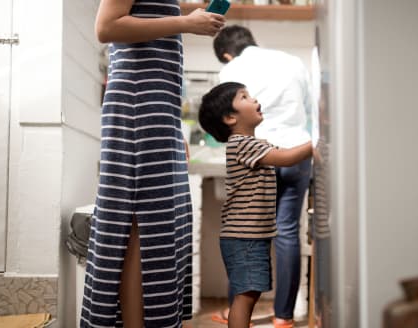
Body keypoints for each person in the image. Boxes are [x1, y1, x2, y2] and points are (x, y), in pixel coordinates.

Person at [80, 1, 225, 328]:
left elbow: (149, 8)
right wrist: (186, 23)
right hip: (138, 107)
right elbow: (107, 27)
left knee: (154, 227)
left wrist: (190, 9)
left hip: (153, 110)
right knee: (139, 226)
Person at [211, 25, 313, 327]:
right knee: (287, 232)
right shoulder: (293, 62)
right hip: (295, 149)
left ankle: (236, 312)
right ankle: (283, 316)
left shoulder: (232, 69)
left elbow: (227, 122)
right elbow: (308, 110)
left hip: (257, 155)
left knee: (247, 230)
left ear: (227, 54)